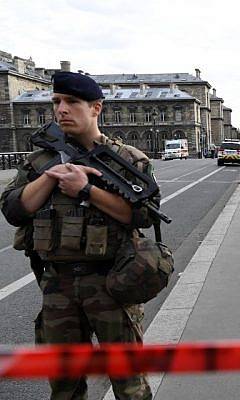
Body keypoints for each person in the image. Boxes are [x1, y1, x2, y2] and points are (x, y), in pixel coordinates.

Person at [0, 71, 156, 399]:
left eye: (72, 102)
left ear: (96, 108)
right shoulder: (41, 159)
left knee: (130, 386)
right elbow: (13, 209)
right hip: (57, 287)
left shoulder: (127, 159)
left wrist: (86, 190)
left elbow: (142, 214)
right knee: (65, 387)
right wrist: (50, 177)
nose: (61, 110)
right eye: (56, 102)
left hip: (112, 285)